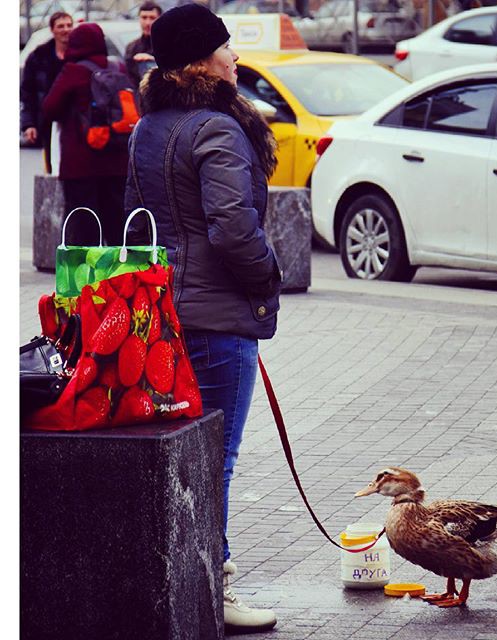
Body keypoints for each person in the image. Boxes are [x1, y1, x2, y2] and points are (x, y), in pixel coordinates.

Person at [124, 4, 282, 634]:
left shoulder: (149, 127)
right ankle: (214, 586)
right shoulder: (218, 127)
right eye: (226, 47)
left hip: (161, 321)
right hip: (218, 321)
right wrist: (265, 283)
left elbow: (136, 228)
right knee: (217, 460)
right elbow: (233, 228)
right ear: (199, 61)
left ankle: (180, 583)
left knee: (179, 455)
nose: (235, 57)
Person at [42, 23, 129, 246]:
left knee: (85, 232)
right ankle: (118, 277)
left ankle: (89, 279)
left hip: (81, 165)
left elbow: (49, 107)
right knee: (117, 227)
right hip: (117, 161)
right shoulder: (118, 68)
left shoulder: (74, 71)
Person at [20, 11, 73, 173]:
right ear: (52, 30)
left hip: (75, 121)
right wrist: (29, 124)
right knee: (51, 169)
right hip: (48, 123)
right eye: (61, 26)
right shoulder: (38, 57)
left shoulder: (79, 55)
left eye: (69, 25)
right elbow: (27, 93)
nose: (66, 30)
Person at [124, 1, 162, 89]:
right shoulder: (131, 48)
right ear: (139, 19)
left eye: (152, 18)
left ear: (160, 19)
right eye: (144, 17)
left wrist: (153, 62)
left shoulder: (169, 45)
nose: (147, 23)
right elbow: (129, 80)